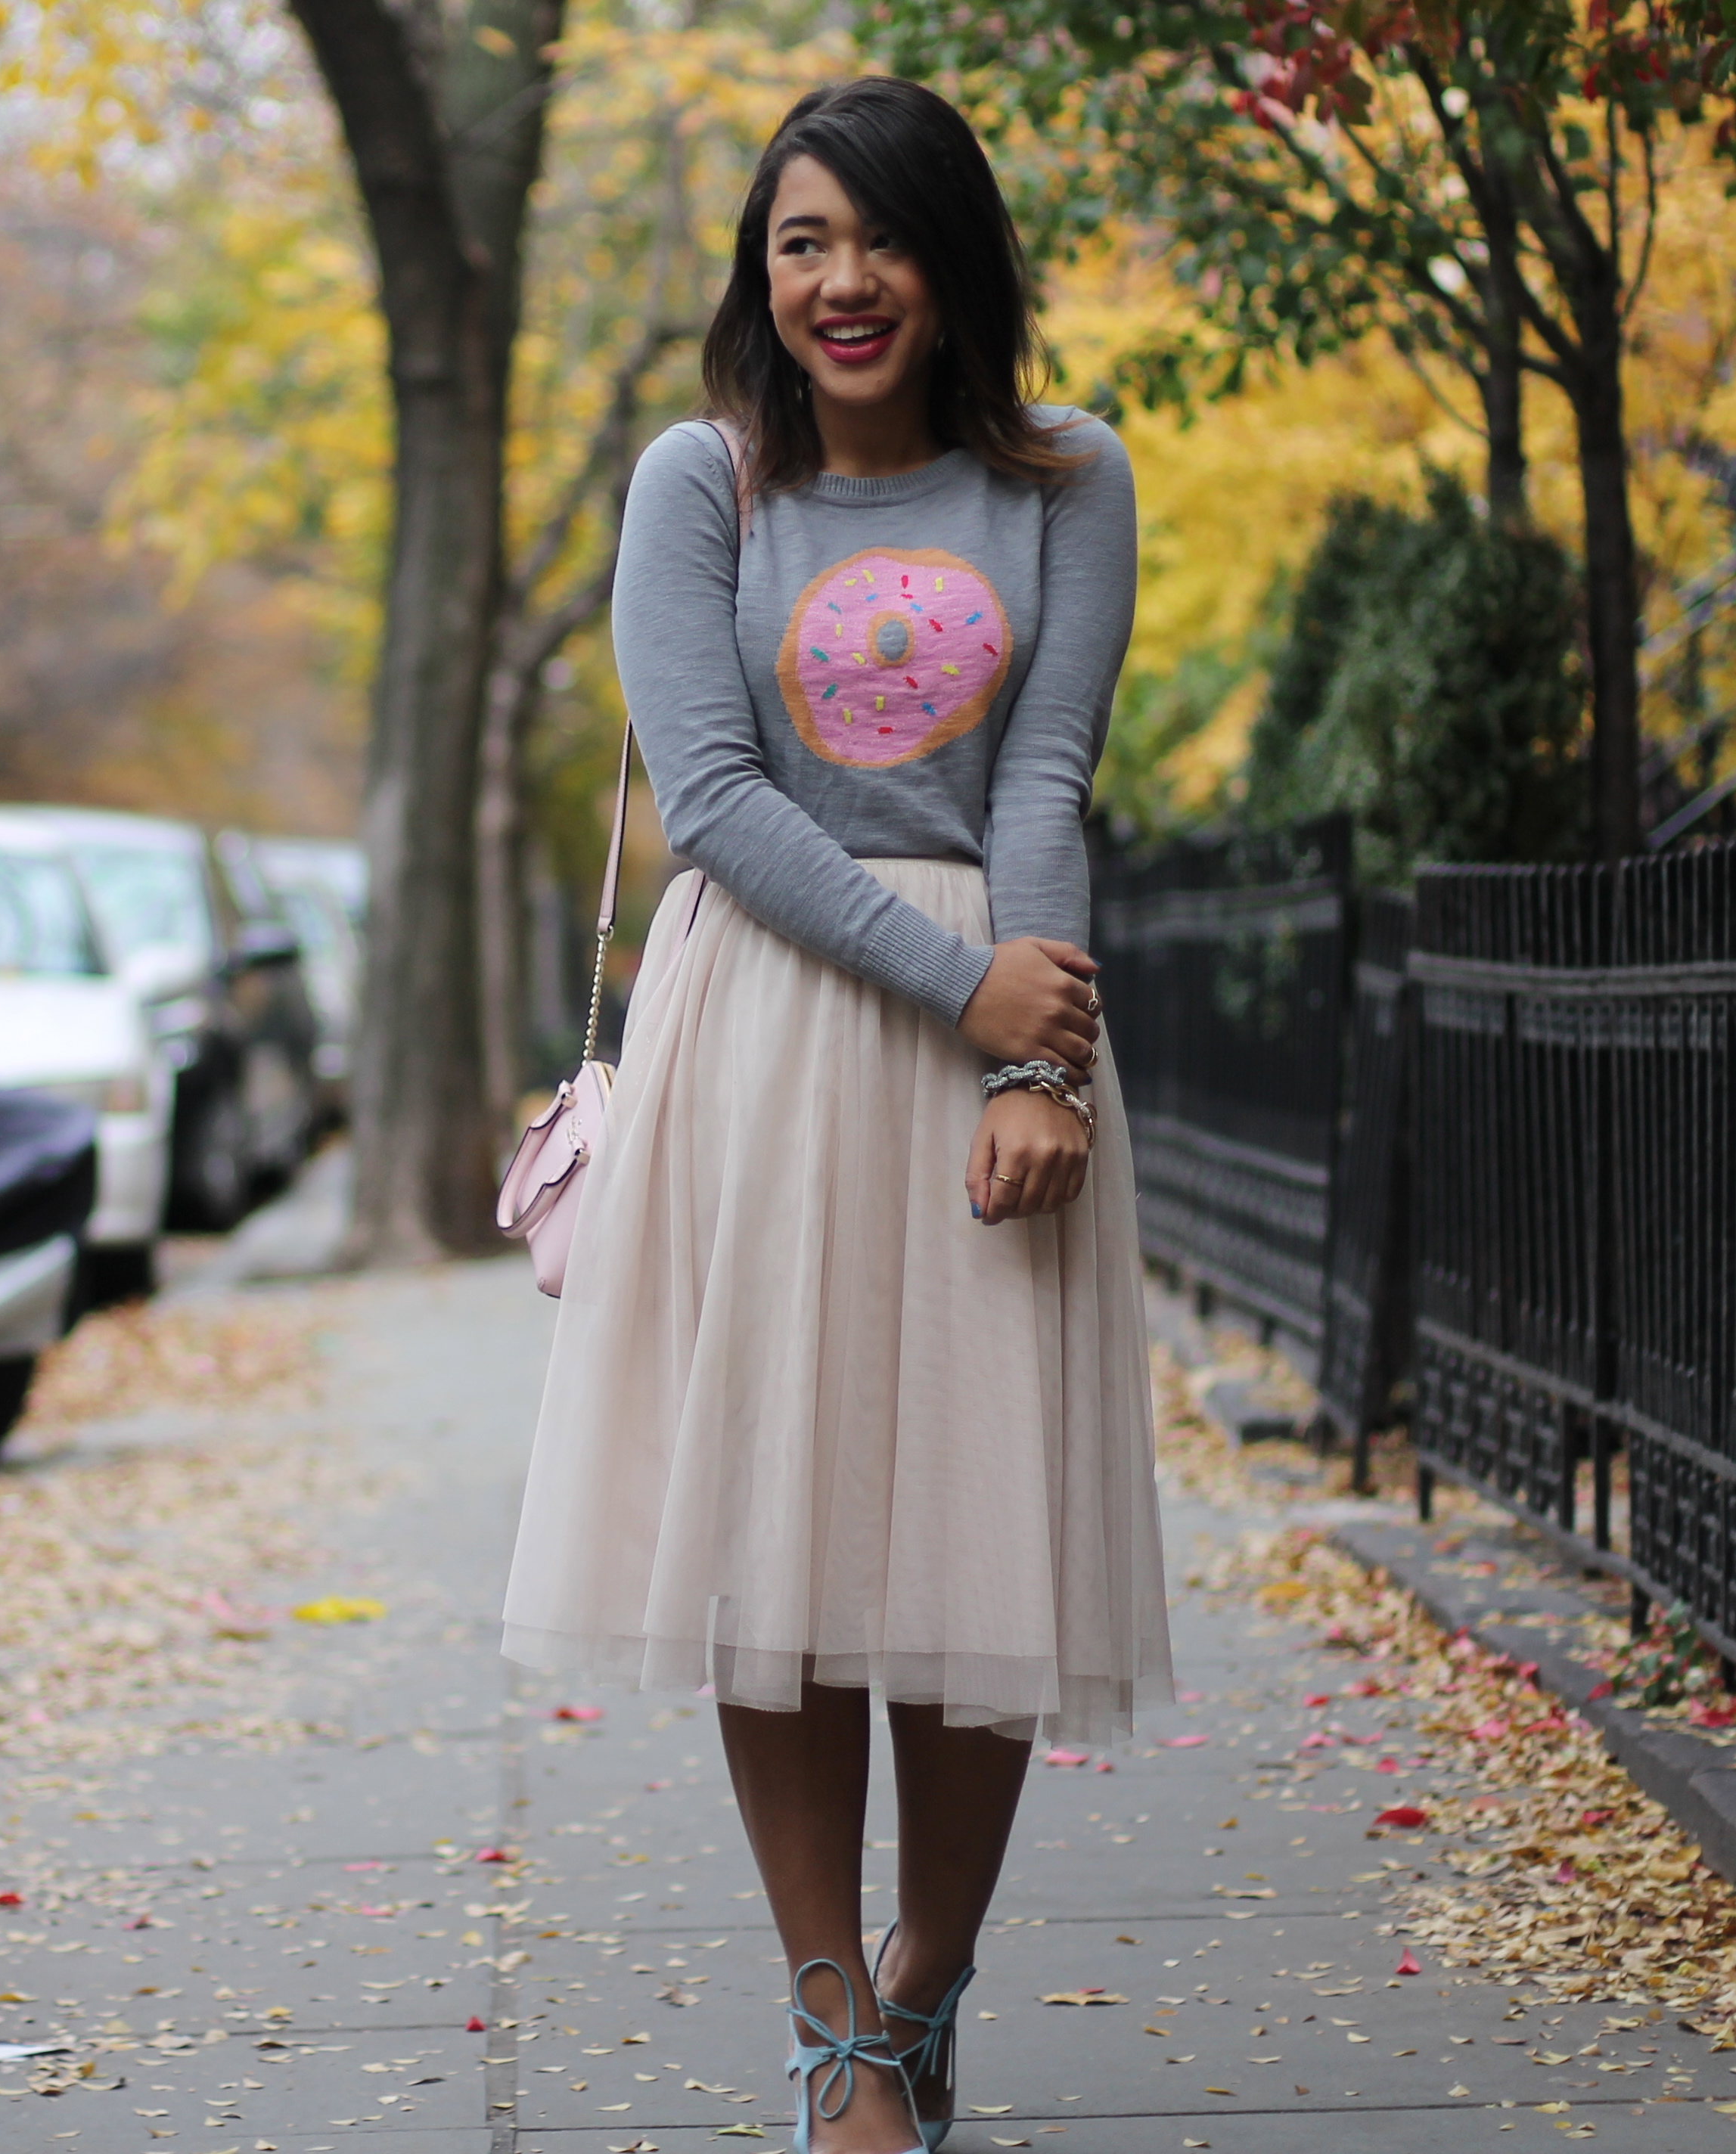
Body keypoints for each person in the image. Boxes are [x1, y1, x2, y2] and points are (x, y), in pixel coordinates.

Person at [500, 76, 1173, 2154]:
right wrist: (960, 982)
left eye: (877, 240)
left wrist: (1035, 1062)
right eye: (801, 243)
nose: (841, 282)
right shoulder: (705, 484)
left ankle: (926, 1980)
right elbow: (711, 804)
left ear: (952, 262)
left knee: (978, 1551)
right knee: (777, 1550)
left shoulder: (1069, 479)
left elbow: (1042, 780)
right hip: (772, 1033)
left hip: (999, 1042)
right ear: (760, 272)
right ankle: (834, 2043)